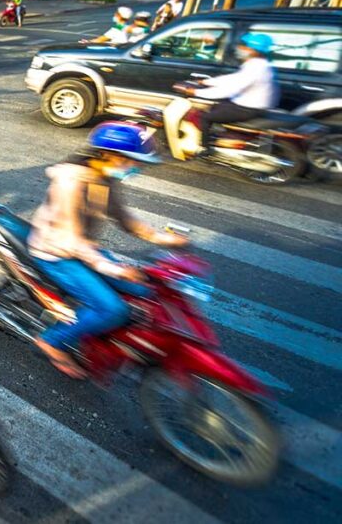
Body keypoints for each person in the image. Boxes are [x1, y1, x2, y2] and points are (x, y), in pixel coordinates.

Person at [28, 122, 188, 377]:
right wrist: (115, 269)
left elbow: (125, 220)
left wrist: (164, 239)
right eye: (132, 161)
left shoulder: (105, 178)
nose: (136, 168)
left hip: (83, 250)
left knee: (146, 289)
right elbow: (72, 240)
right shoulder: (71, 183)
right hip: (55, 253)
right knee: (113, 309)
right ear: (108, 155)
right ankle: (52, 341)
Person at [182, 32, 278, 153]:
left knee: (205, 117)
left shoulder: (256, 68)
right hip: (247, 105)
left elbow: (230, 89)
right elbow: (234, 79)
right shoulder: (259, 65)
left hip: (247, 109)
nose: (241, 49)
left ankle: (205, 149)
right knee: (215, 107)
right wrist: (207, 82)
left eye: (245, 46)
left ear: (255, 50)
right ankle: (220, 137)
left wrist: (196, 92)